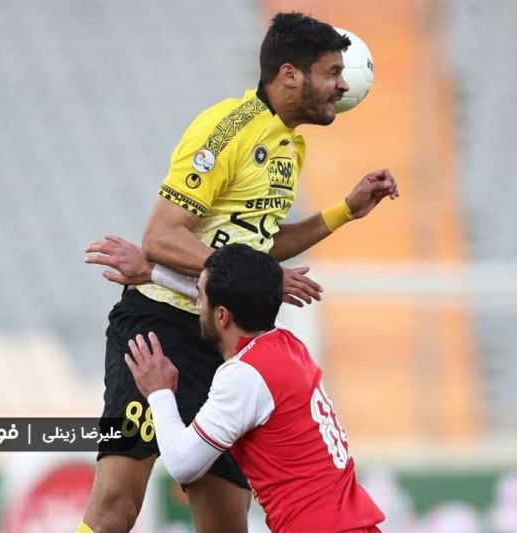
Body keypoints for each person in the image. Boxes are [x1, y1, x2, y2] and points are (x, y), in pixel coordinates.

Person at [80, 12, 399, 533]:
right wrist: (256, 279)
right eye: (332, 72)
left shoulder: (291, 147)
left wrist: (344, 211)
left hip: (226, 340)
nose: (343, 86)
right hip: (159, 328)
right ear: (290, 75)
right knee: (116, 506)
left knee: (227, 521)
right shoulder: (226, 128)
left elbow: (260, 243)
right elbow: (161, 236)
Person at [124, 244, 385, 532]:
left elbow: (182, 464)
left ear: (222, 315)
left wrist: (159, 393)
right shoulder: (286, 340)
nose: (197, 304)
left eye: (201, 297)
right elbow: (224, 299)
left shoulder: (245, 375)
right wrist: (151, 273)